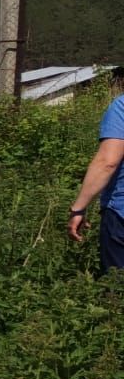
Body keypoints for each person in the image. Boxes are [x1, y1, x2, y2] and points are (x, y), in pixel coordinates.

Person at [68, 91, 124, 273]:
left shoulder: (121, 107)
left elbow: (108, 161)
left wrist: (79, 208)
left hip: (121, 214)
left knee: (117, 288)